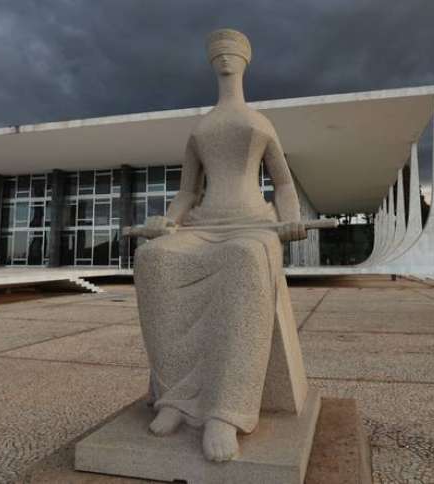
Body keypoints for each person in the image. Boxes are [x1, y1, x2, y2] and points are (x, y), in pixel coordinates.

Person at [133, 29, 308, 462]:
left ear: (246, 60)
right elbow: (187, 193)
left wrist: (290, 220)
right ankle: (175, 396)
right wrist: (167, 220)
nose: (226, 57)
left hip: (252, 224)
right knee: (152, 259)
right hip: (204, 223)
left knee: (244, 258)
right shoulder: (201, 127)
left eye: (233, 51)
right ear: (211, 62)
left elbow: (283, 182)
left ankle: (225, 411)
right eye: (219, 53)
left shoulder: (260, 122)